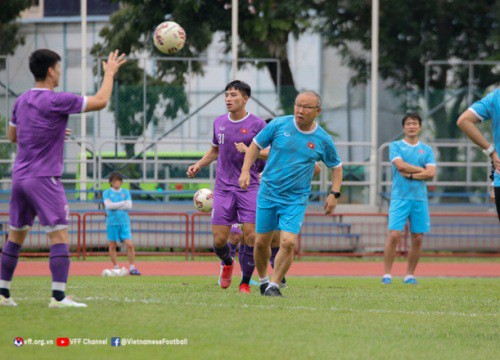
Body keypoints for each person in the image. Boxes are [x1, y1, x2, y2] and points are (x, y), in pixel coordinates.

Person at [0, 49, 126, 307]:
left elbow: (13, 137)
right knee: (58, 237)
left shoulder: (20, 101)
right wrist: (110, 73)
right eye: (58, 67)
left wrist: (52, 131)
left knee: (15, 237)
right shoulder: (57, 100)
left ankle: (2, 294)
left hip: (20, 178)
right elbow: (101, 100)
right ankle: (58, 296)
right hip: (45, 178)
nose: (59, 72)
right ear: (50, 71)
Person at [239, 90, 343, 297]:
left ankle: (274, 285)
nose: (300, 110)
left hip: (295, 198)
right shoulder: (278, 125)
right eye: (297, 105)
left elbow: (336, 166)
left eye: (306, 107)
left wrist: (334, 194)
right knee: (261, 243)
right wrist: (245, 171)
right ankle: (263, 280)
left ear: (317, 111)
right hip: (268, 193)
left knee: (288, 242)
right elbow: (254, 146)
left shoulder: (323, 139)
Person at [187, 80, 267, 293]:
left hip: (249, 186)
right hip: (222, 188)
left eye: (233, 95)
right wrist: (199, 165)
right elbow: (214, 150)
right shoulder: (219, 122)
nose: (228, 99)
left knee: (251, 236)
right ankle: (228, 263)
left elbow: (270, 153)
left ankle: (244, 283)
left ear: (245, 99)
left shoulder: (258, 125)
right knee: (220, 239)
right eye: (227, 95)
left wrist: (251, 150)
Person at [382, 112, 436, 285]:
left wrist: (412, 175)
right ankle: (387, 274)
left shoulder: (427, 150)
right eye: (408, 124)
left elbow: (432, 173)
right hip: (400, 197)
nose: (411, 126)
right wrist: (423, 171)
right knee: (394, 235)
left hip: (419, 199)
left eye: (414, 123)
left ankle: (409, 275)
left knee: (418, 238)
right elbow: (400, 165)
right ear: (403, 127)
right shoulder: (395, 146)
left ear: (420, 127)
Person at [457, 89, 500, 220]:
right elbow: (463, 121)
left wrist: (491, 152)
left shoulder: (496, 96)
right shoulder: (496, 97)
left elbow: (463, 121)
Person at [103, 172, 140, 275]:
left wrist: (114, 205)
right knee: (112, 245)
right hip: (111, 222)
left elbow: (129, 206)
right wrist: (122, 203)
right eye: (115, 181)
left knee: (129, 244)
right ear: (111, 182)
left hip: (124, 222)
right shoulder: (106, 193)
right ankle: (116, 267)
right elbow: (108, 206)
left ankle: (132, 267)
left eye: (119, 180)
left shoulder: (125, 192)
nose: (117, 183)